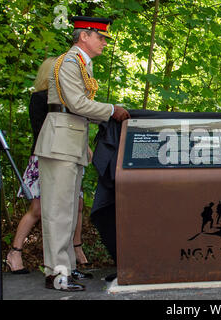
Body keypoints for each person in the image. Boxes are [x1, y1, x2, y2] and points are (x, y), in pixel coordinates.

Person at [34, 16, 130, 292]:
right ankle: (57, 273)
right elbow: (76, 103)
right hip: (59, 142)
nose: (104, 42)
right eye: (100, 37)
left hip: (70, 141)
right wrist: (112, 110)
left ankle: (65, 268)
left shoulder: (80, 64)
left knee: (69, 211)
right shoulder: (68, 62)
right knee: (58, 211)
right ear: (84, 36)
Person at [7, 57, 91, 281]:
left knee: (76, 205)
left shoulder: (66, 99)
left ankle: (74, 251)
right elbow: (48, 130)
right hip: (45, 157)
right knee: (38, 210)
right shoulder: (40, 98)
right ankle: (14, 253)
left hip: (68, 157)